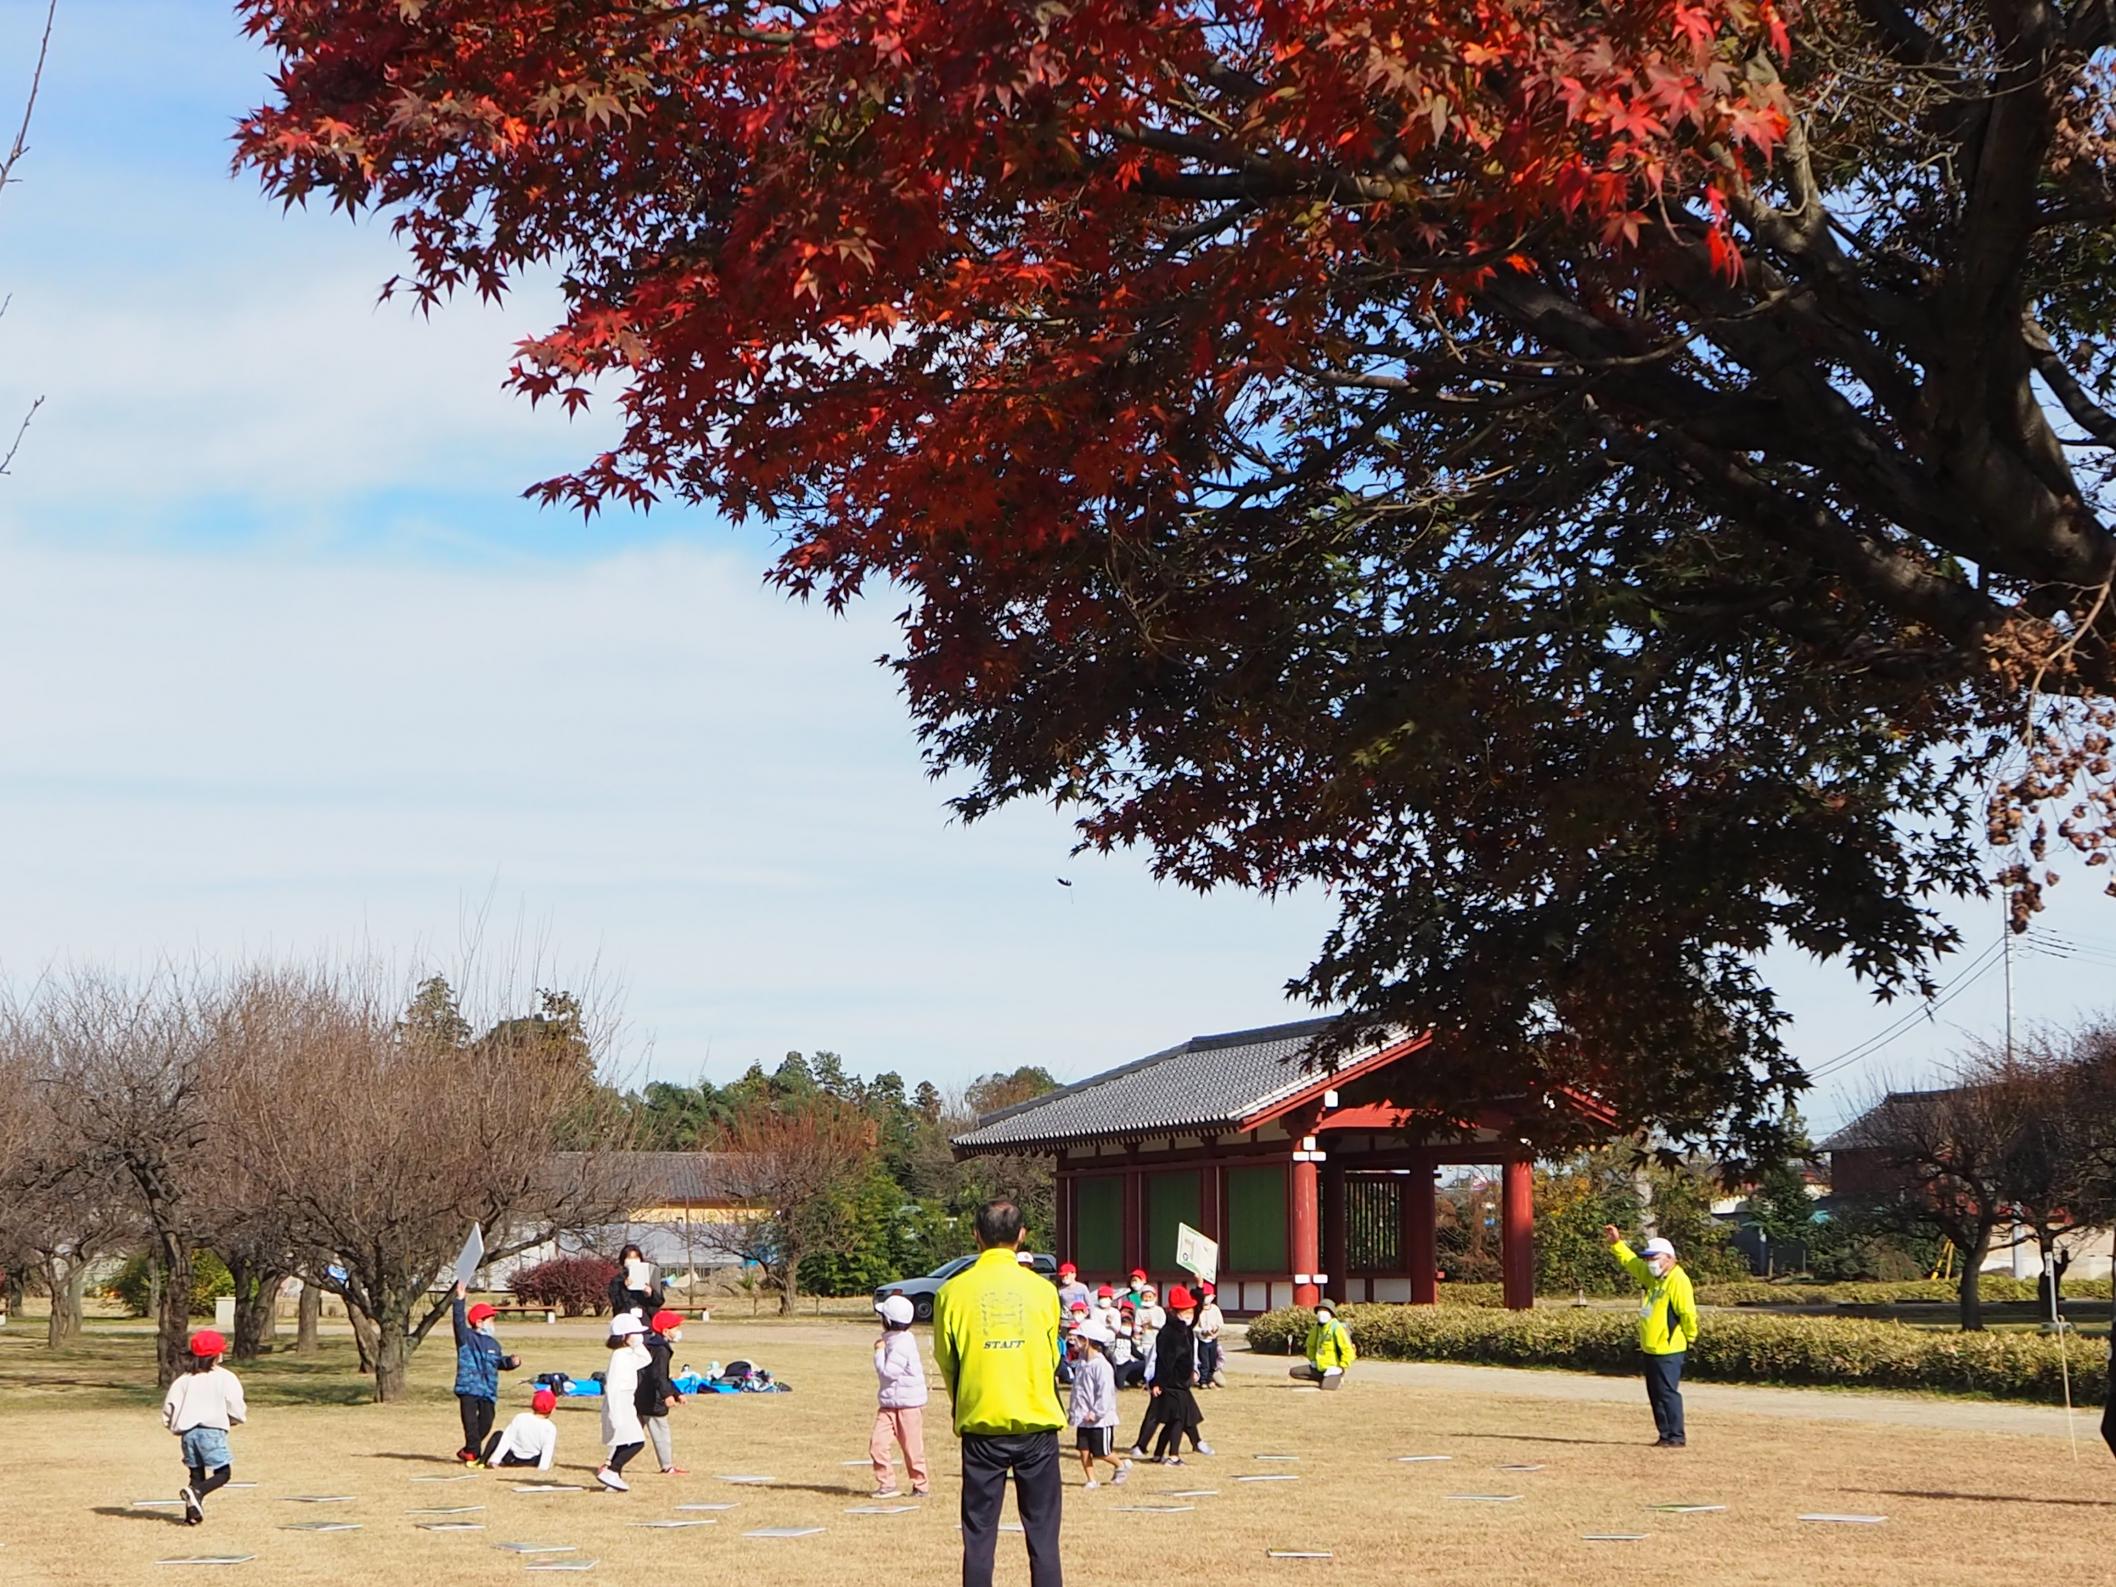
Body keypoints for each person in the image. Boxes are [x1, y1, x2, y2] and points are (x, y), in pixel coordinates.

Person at [932, 1198, 1065, 1587]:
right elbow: (1051, 1354)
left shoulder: (951, 1293)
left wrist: (963, 1400)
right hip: (1036, 1421)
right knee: (1043, 1535)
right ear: (1022, 1237)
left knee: (978, 1535)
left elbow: (947, 1360)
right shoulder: (1044, 1291)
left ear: (976, 1236)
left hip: (981, 1422)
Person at [1603, 1224, 1699, 1447]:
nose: (1649, 1263)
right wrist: (1617, 1243)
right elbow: (1631, 1262)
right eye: (1648, 1259)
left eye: (1653, 1258)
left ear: (1668, 1258)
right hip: (1651, 1346)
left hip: (1669, 1347)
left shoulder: (1678, 1279)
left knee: (1667, 1393)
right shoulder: (1653, 1278)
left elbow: (1687, 1312)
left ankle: (1676, 1436)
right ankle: (1664, 1435)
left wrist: (1691, 1337)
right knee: (1655, 1393)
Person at [163, 1328, 246, 1526]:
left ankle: (192, 1514)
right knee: (223, 1473)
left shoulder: (184, 1380)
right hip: (212, 1431)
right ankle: (198, 1492)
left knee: (196, 1474)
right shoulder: (225, 1377)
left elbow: (170, 1406)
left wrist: (172, 1425)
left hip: (188, 1434)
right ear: (217, 1356)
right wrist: (235, 1419)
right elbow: (234, 1404)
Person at [451, 1279, 520, 1464]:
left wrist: (511, 1363)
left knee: (486, 1422)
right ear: (479, 1322)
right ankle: (473, 1453)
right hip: (468, 1388)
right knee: (471, 1424)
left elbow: (497, 1363)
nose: (493, 1323)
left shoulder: (494, 1344)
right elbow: (458, 1322)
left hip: (488, 1390)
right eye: (490, 1320)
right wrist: (459, 1301)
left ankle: (468, 1450)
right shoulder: (466, 1338)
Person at [871, 1293, 931, 1499]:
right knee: (877, 1445)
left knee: (912, 1449)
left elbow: (888, 1373)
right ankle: (886, 1484)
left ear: (888, 1320)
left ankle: (920, 1485)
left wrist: (878, 1352)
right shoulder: (893, 1340)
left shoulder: (902, 1343)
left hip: (909, 1405)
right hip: (889, 1404)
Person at [1065, 1323, 1130, 1488]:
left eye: (1080, 1338)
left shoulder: (1101, 1366)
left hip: (1100, 1419)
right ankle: (1091, 1480)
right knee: (1083, 1449)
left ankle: (1121, 1466)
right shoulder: (1081, 1363)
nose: (1076, 1342)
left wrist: (1096, 1412)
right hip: (1083, 1416)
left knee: (1101, 1452)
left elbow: (1105, 1393)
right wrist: (1074, 1412)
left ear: (1089, 1341)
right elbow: (1077, 1390)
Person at [596, 1314, 652, 1491]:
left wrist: (638, 1344)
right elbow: (611, 1386)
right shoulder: (619, 1356)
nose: (639, 1336)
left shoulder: (628, 1353)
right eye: (634, 1333)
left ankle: (613, 1478)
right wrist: (614, 1414)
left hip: (627, 1403)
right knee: (637, 1442)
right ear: (623, 1336)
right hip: (619, 1404)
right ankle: (612, 1470)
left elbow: (646, 1359)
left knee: (625, 1441)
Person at [639, 1308, 688, 1476]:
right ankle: (667, 1466)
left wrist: (676, 1392)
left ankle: (610, 1462)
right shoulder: (661, 1349)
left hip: (639, 1395)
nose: (679, 1332)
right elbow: (658, 1375)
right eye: (676, 1328)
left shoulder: (652, 1344)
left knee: (630, 1433)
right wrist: (667, 1395)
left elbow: (663, 1375)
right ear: (666, 1331)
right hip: (651, 1398)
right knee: (661, 1431)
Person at [481, 1388, 560, 1470]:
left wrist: (495, 1460)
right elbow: (547, 1449)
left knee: (498, 1435)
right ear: (552, 1409)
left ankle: (482, 1460)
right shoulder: (550, 1427)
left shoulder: (520, 1418)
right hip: (532, 1461)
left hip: (512, 1459)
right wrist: (543, 1467)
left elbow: (507, 1439)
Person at [1288, 1300, 1356, 1387]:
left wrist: (1341, 1366)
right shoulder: (1317, 1328)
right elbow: (1310, 1345)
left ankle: (1337, 1378)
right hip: (1319, 1366)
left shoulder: (1337, 1327)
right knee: (1294, 1372)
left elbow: (1347, 1349)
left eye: (1325, 1310)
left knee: (1326, 1388)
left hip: (1334, 1367)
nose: (1321, 1313)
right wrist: (1313, 1360)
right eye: (1320, 1310)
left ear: (1331, 1313)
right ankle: (1323, 1378)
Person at [607, 1243, 662, 1320]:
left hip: (646, 1318)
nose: (632, 1260)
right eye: (629, 1257)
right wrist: (624, 1288)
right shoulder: (617, 1280)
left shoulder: (648, 1276)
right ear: (623, 1260)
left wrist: (650, 1294)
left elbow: (659, 1301)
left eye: (635, 1257)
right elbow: (617, 1303)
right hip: (625, 1319)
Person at [1195, 1283, 1225, 1388]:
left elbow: (1220, 1323)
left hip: (1213, 1339)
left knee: (1213, 1360)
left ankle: (1210, 1379)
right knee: (1204, 1361)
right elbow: (1195, 1326)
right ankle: (1203, 1381)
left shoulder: (1215, 1309)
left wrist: (1216, 1331)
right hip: (1202, 1340)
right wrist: (1203, 1332)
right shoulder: (1198, 1310)